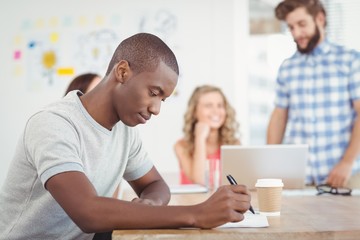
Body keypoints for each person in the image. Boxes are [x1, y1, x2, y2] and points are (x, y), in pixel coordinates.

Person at [0, 33, 251, 240]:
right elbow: (88, 212)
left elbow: (156, 186)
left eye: (162, 99)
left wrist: (149, 205)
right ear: (122, 72)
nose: (156, 109)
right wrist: (197, 214)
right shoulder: (54, 124)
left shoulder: (125, 132)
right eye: (154, 92)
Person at [267, 0, 360, 189]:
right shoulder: (287, 68)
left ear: (320, 19)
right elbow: (279, 117)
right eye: (291, 27)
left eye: (302, 25)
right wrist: (269, 167)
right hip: (301, 178)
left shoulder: (350, 60)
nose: (296, 33)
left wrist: (347, 163)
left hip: (345, 176)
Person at [174, 85, 240, 190]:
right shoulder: (181, 146)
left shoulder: (234, 145)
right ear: (195, 111)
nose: (216, 111)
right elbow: (200, 181)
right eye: (208, 106)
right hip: (191, 204)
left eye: (220, 105)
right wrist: (200, 139)